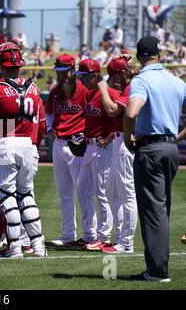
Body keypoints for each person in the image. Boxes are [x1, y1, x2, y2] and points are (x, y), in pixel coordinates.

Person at [0, 42, 46, 258]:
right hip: (29, 146)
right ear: (19, 64)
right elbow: (41, 123)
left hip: (5, 143)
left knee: (7, 196)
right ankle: (38, 245)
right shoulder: (35, 88)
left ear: (1, 64)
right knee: (27, 194)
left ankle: (14, 247)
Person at [124, 37, 186, 282]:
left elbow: (131, 111)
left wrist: (128, 140)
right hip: (170, 148)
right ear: (158, 55)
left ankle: (158, 271)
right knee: (161, 209)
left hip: (150, 148)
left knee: (153, 211)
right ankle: (158, 266)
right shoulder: (176, 80)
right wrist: (177, 138)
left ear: (139, 57)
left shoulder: (142, 80)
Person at [45, 54, 90, 248]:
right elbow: (48, 113)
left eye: (64, 72)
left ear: (73, 71)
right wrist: (48, 129)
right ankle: (68, 234)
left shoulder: (84, 90)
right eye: (58, 72)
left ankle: (90, 234)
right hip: (59, 143)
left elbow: (94, 113)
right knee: (64, 193)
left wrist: (87, 134)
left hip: (77, 143)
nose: (61, 76)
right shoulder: (55, 91)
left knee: (83, 192)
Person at [74, 59, 120, 251]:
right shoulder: (91, 93)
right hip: (90, 147)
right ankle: (89, 234)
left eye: (84, 77)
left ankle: (104, 237)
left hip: (103, 149)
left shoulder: (109, 92)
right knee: (82, 189)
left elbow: (120, 117)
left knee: (102, 193)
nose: (82, 81)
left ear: (94, 76)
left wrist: (110, 137)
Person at [98, 56, 140, 254]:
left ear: (122, 74)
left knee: (127, 192)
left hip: (127, 138)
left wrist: (103, 89)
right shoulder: (128, 87)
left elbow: (112, 109)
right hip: (118, 139)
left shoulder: (133, 87)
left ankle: (126, 243)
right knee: (111, 191)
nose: (113, 80)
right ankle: (121, 237)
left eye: (115, 76)